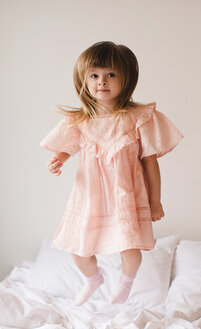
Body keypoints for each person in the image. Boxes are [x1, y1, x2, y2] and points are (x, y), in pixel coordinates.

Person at [40, 41, 183, 306]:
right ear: (84, 79)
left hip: (125, 194)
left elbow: (150, 162)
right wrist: (58, 158)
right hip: (90, 195)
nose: (101, 82)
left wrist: (155, 200)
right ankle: (94, 279)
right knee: (78, 250)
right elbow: (68, 147)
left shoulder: (138, 118)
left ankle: (126, 284)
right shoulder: (79, 120)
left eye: (111, 75)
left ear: (126, 79)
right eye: (94, 75)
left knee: (130, 249)